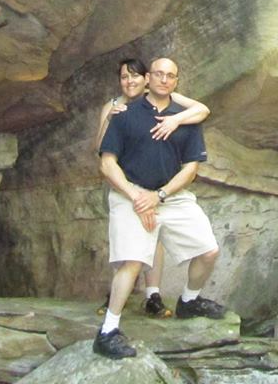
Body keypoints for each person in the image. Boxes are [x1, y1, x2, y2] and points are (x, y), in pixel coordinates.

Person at [93, 57, 226, 360]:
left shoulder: (186, 118)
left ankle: (189, 301)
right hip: (131, 193)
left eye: (170, 76)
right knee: (133, 261)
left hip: (170, 196)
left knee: (209, 251)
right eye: (159, 74)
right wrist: (136, 196)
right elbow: (107, 163)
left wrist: (160, 195)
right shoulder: (125, 114)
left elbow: (191, 168)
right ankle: (107, 331)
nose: (164, 80)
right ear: (148, 78)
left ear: (176, 82)